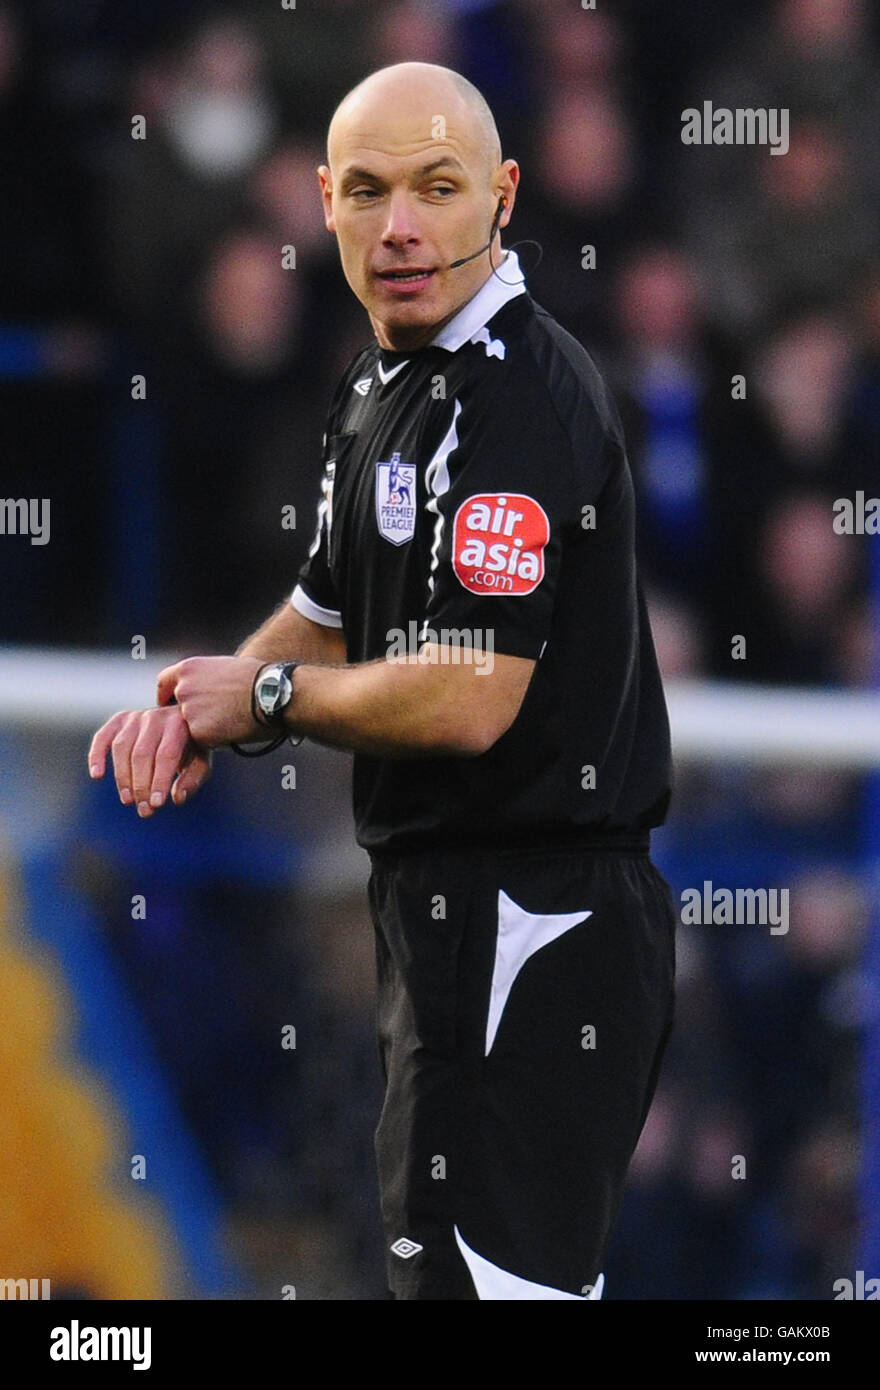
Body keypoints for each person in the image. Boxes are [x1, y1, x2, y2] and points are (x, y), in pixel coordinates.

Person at [88, 62, 677, 1301]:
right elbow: (329, 605)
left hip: (533, 919)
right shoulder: (384, 384)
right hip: (454, 914)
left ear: (503, 197)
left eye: (436, 188)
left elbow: (471, 690)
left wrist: (265, 705)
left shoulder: (516, 393)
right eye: (366, 192)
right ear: (323, 204)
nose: (400, 225)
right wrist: (205, 701)